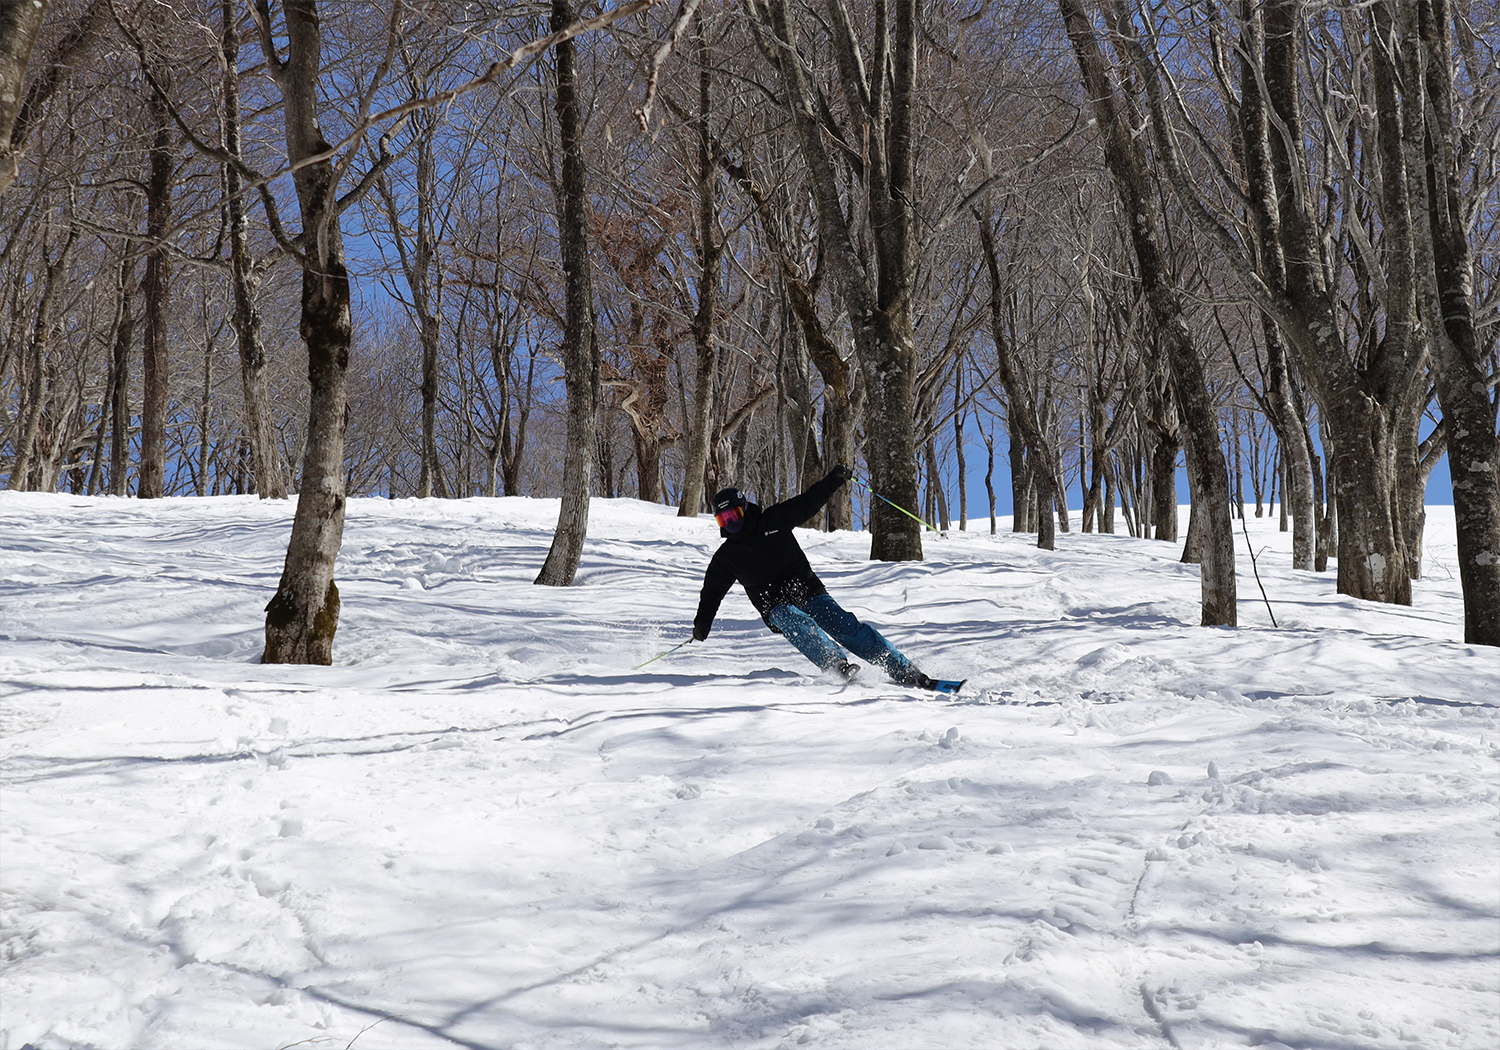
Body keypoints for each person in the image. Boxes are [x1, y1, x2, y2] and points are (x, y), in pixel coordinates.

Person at [691, 465, 942, 688]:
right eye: (724, 520)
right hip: (774, 605)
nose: (731, 523)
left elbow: (809, 501)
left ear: (745, 509)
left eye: (734, 515)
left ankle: (904, 669)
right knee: (788, 617)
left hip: (807, 589)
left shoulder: (774, 519)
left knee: (844, 626)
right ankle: (836, 664)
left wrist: (834, 479)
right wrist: (703, 624)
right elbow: (712, 592)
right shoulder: (726, 557)